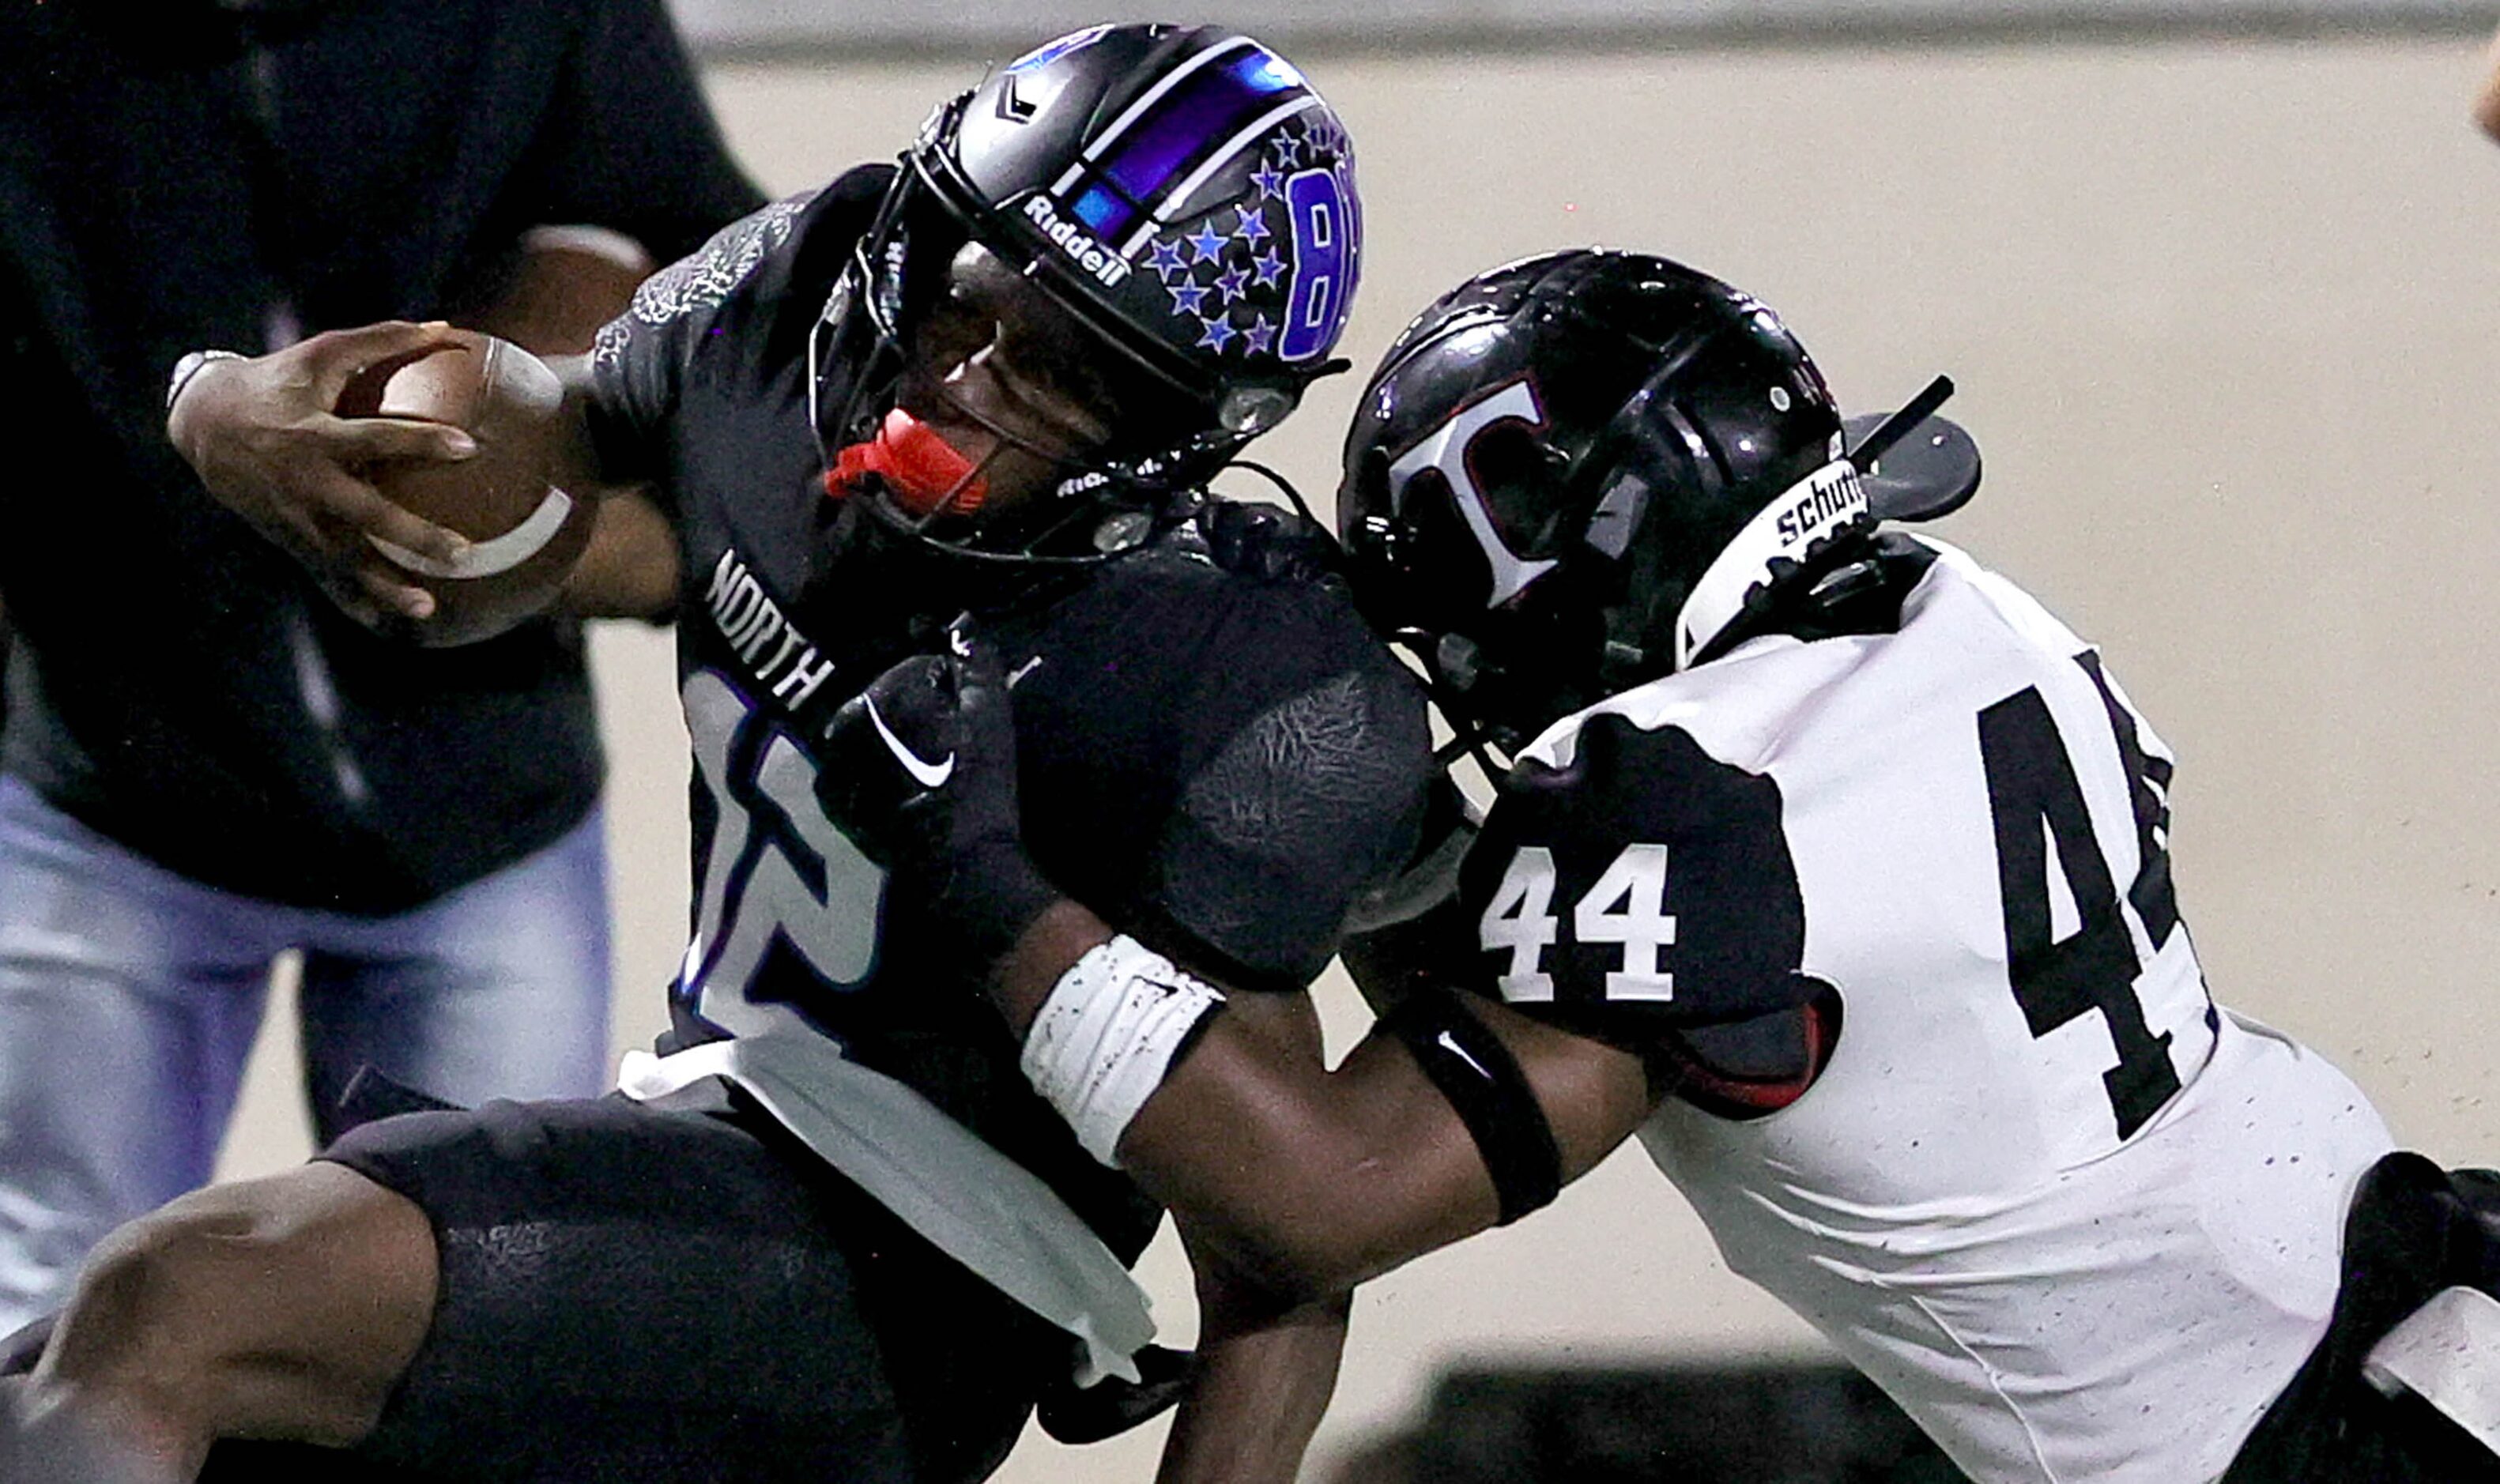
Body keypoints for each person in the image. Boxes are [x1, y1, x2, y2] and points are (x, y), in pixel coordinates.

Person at [1, 24, 1433, 1484]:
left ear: (1183, 429)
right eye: (968, 294)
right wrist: (233, 407)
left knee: (172, 1308)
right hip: (704, 1131)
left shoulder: (1245, 667)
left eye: (1067, 368)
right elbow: (548, 431)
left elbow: (1277, 1232)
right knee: (46, 1381)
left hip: (931, 1270)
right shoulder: (796, 295)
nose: (968, 380)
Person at [820, 250, 2500, 1482]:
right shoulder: (1954, 611)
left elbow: (1321, 1203)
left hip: (2302, 1451)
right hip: (2416, 1281)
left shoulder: (1692, 797)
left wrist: (973, 867)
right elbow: (1551, 986)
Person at [0, 0, 761, 1335]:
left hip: (483, 805)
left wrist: (605, 525)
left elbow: (738, 278)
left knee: (478, 1339)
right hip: (111, 792)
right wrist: (194, 409)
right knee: (56, 1330)